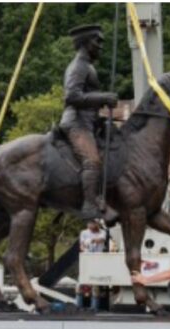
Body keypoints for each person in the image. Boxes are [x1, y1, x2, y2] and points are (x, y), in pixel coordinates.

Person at [60, 24, 119, 218]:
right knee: (92, 161)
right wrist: (103, 98)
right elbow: (71, 96)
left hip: (89, 123)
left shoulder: (88, 66)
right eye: (97, 41)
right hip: (76, 123)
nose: (101, 45)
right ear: (85, 43)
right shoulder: (78, 66)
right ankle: (90, 205)